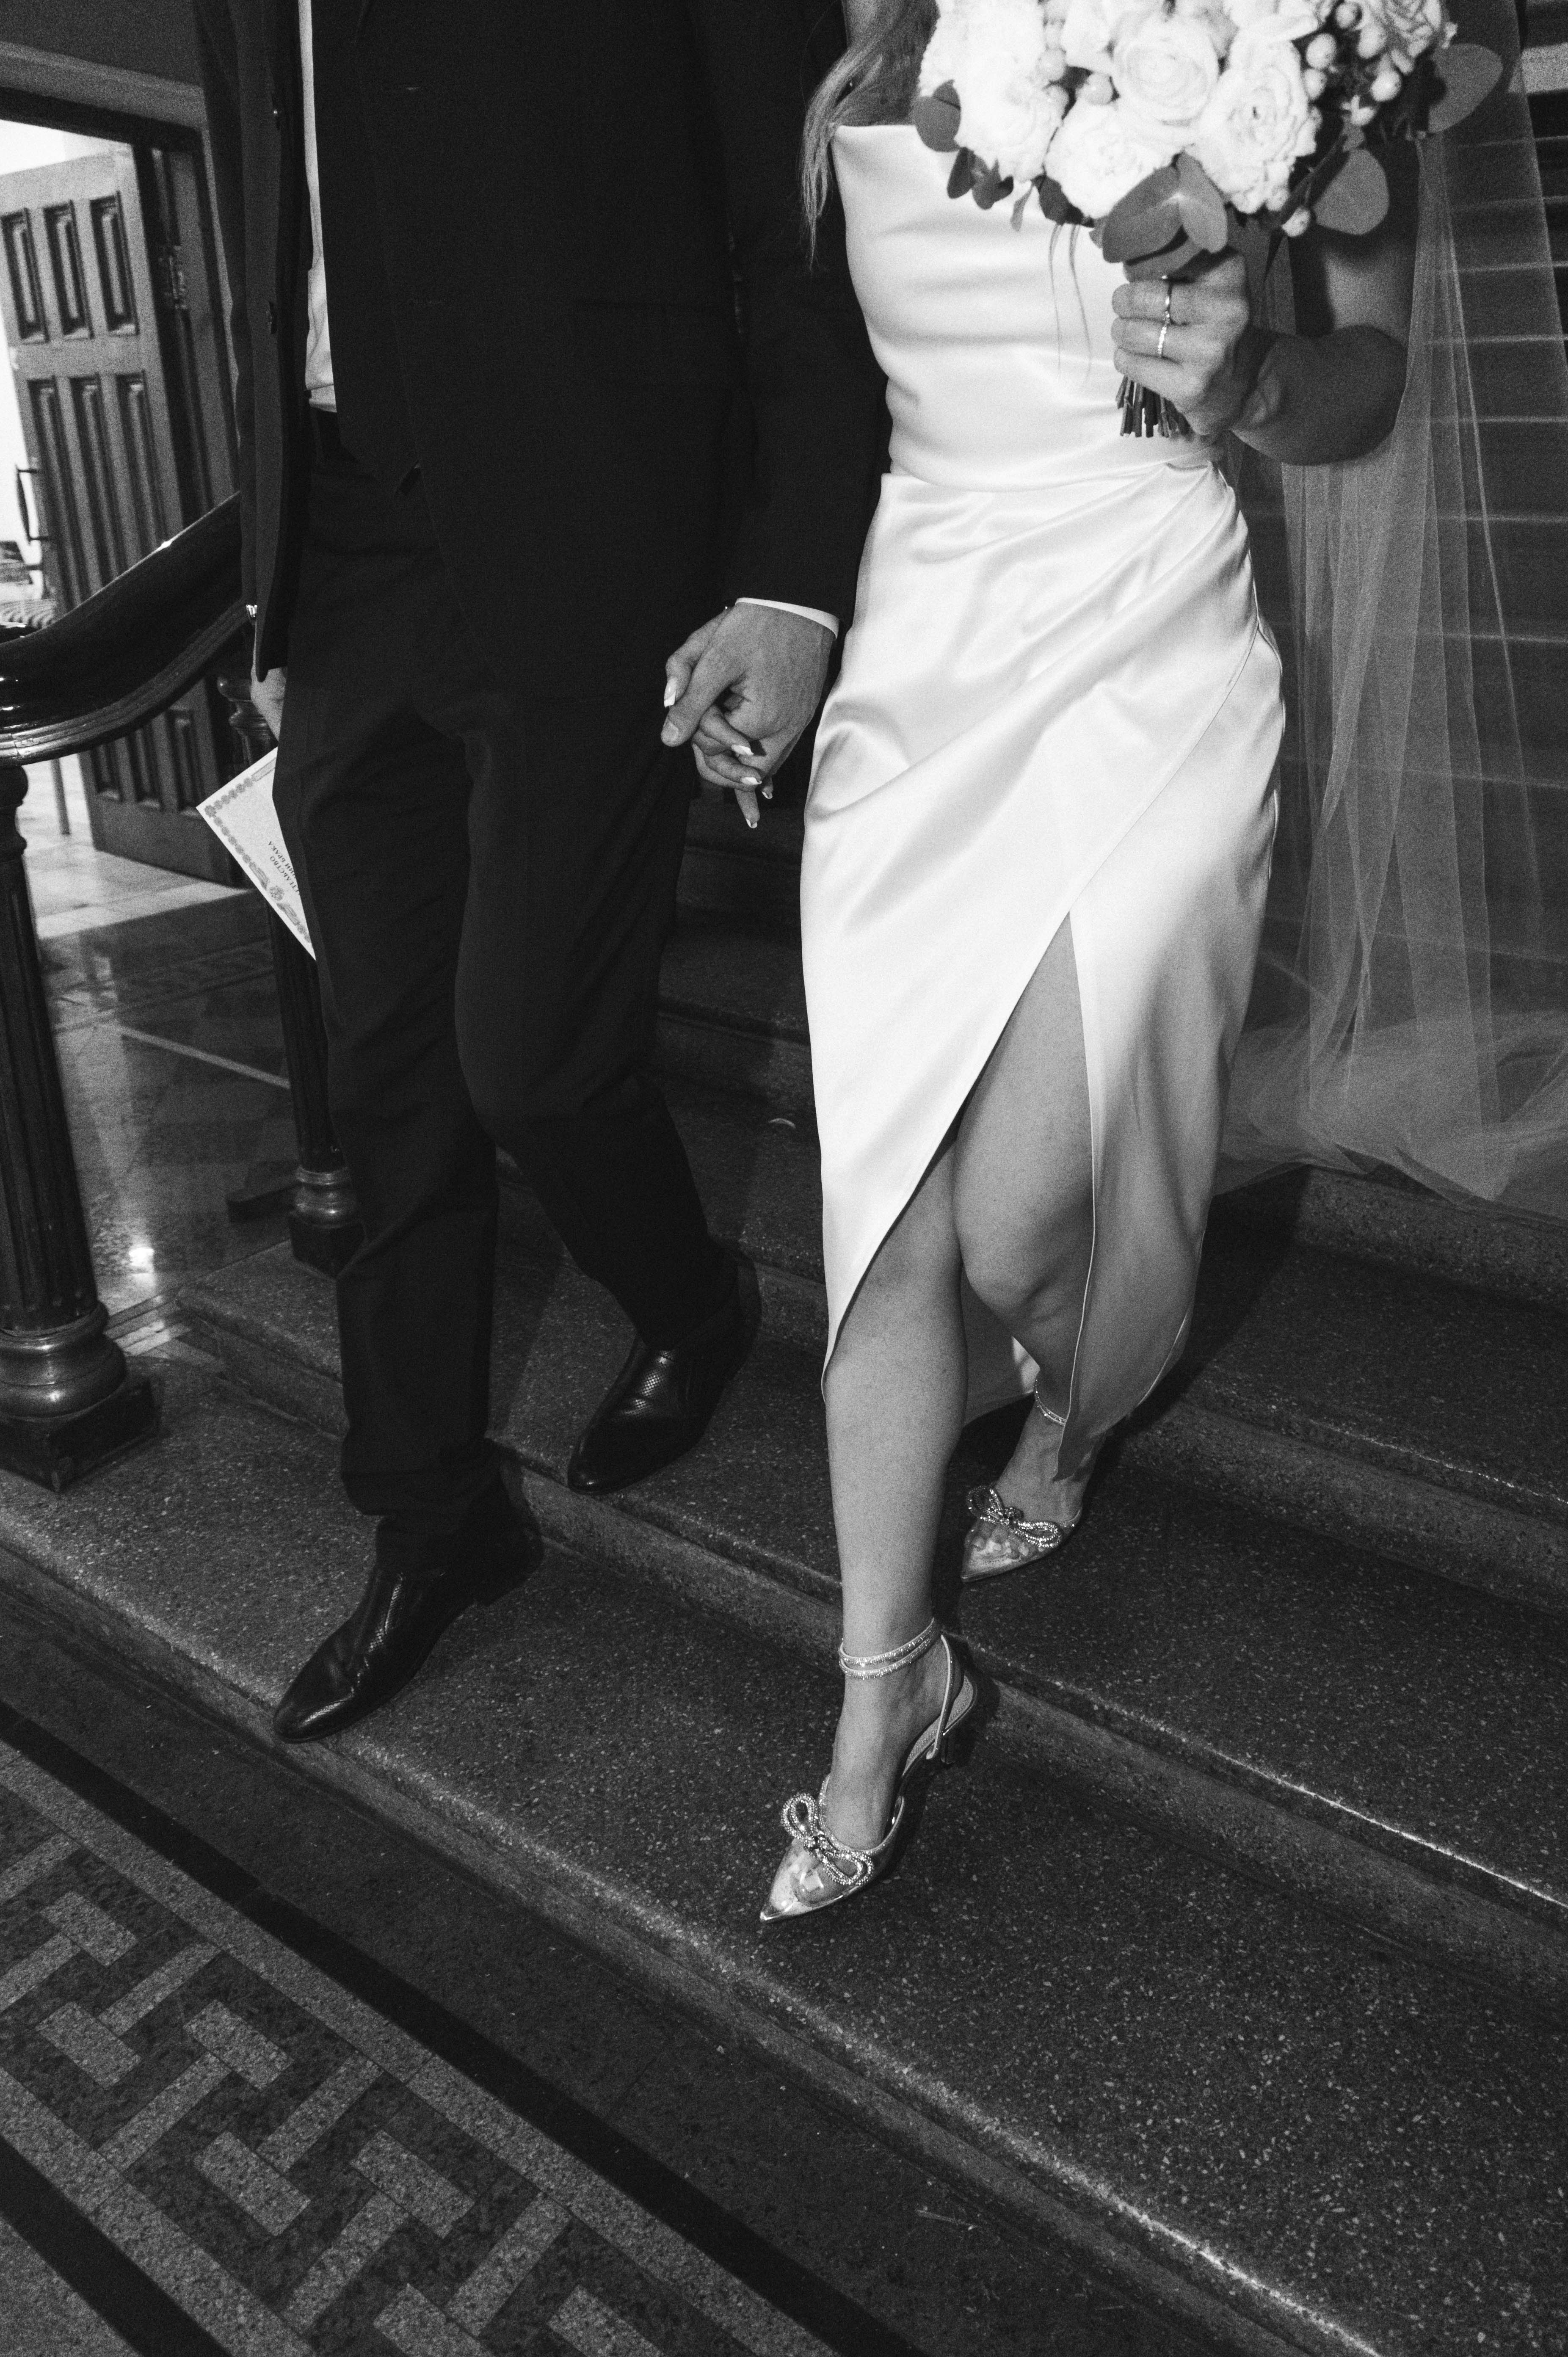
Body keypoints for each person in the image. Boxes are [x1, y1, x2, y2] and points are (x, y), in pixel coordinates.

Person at [699, 0, 1419, 1918]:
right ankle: (886, 1690)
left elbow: (1368, 385)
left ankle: (1079, 1405)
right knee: (884, 1213)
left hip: (1151, 629)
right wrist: (774, 617)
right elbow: (800, 380)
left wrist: (1250, 376)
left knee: (1024, 1228)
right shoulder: (847, 53)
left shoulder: (1286, 36)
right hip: (924, 644)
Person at [193, 0, 882, 1744]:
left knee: (533, 1060)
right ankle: (432, 1518)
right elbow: (274, 219)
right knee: (386, 1080)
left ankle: (690, 1300)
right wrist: (278, 576)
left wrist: (795, 580)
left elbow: (797, 225)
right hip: (348, 549)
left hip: (594, 525)